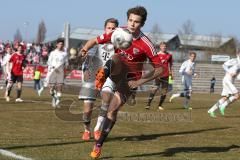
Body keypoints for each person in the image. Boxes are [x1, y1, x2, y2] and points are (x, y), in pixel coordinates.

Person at [80, 6, 163, 159]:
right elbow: (95, 40)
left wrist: (139, 82)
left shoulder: (146, 44)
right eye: (130, 20)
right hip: (114, 73)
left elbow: (160, 69)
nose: (132, 24)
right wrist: (84, 49)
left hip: (129, 81)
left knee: (111, 111)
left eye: (136, 22)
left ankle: (98, 144)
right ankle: (102, 74)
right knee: (117, 57)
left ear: (142, 24)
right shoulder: (119, 32)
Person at [79, 18, 119, 141]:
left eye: (113, 28)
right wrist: (85, 69)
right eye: (109, 28)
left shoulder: (120, 43)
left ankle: (97, 129)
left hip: (108, 75)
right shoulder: (99, 41)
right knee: (87, 111)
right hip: (92, 74)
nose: (111, 30)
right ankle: (87, 129)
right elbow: (88, 57)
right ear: (104, 29)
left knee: (106, 99)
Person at [39, 38, 68, 107]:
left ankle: (57, 101)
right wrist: (53, 68)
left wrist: (65, 71)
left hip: (60, 72)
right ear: (57, 45)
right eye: (60, 44)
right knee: (51, 89)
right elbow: (49, 62)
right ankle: (54, 98)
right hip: (52, 71)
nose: (61, 45)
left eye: (62, 44)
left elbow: (66, 63)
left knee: (60, 87)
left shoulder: (64, 54)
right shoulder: (52, 53)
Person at [146, 42, 173, 110]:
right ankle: (148, 104)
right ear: (160, 47)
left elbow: (170, 65)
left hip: (166, 75)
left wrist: (171, 73)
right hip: (158, 75)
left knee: (164, 91)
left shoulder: (169, 55)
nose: (164, 47)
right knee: (154, 89)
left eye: (165, 46)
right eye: (162, 46)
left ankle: (160, 106)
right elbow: (151, 63)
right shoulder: (156, 55)